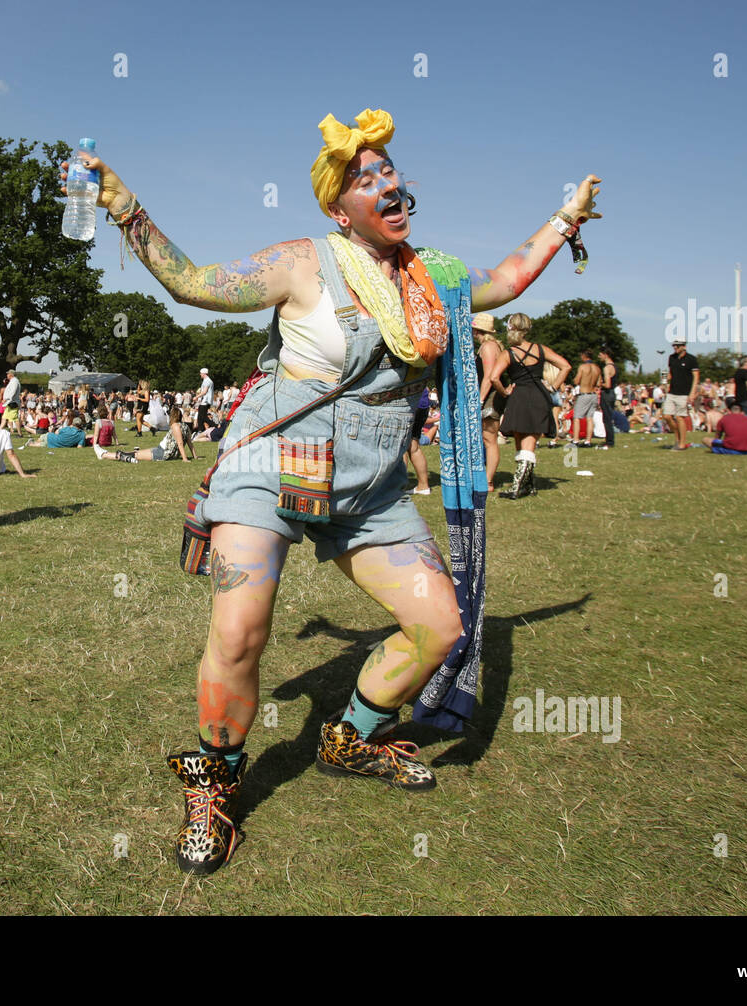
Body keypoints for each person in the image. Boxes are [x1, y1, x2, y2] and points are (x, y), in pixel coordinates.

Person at [62, 107, 601, 873]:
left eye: (390, 173)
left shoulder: (434, 278)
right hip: (274, 462)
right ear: (337, 206)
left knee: (439, 628)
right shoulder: (303, 261)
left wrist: (564, 218)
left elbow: (509, 278)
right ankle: (216, 784)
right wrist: (124, 207)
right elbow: (194, 284)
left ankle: (348, 736)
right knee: (242, 626)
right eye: (364, 178)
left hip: (371, 480)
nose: (385, 185)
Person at [489, 313, 571, 499]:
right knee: (527, 442)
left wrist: (504, 392)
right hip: (538, 395)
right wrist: (553, 387)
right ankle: (528, 485)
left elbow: (494, 377)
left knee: (523, 442)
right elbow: (565, 366)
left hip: (518, 396)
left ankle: (517, 487)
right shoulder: (540, 349)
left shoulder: (508, 353)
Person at [474, 313, 506, 492]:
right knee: (488, 439)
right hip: (491, 397)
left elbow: (489, 377)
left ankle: (489, 481)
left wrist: (480, 400)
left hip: (490, 398)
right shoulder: (493, 346)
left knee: (489, 439)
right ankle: (486, 479)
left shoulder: (488, 347)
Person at [94, 407, 193, 462]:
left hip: (162, 453)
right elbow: (189, 443)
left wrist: (184, 458)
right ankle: (107, 454)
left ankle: (104, 454)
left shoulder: (175, 426)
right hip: (161, 449)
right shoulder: (185, 426)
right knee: (135, 452)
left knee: (135, 455)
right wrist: (195, 456)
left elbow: (180, 443)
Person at [664, 339, 699, 450]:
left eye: (678, 346)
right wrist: (666, 381)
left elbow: (696, 377)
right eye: (674, 345)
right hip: (672, 391)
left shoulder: (691, 359)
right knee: (667, 416)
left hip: (684, 393)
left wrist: (692, 393)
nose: (675, 347)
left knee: (680, 417)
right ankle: (678, 436)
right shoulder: (671, 358)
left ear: (684, 346)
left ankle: (682, 443)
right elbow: (671, 373)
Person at [572, 350, 600, 447]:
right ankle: (588, 441)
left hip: (584, 394)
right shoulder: (597, 368)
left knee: (576, 418)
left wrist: (576, 380)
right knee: (590, 418)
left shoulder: (582, 367)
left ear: (584, 356)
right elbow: (599, 383)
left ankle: (575, 440)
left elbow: (576, 381)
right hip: (593, 394)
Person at [598, 347, 618, 449]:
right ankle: (609, 440)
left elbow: (608, 384)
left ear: (606, 355)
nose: (599, 357)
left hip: (607, 393)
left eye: (600, 354)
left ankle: (610, 442)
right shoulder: (614, 366)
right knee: (608, 417)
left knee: (607, 419)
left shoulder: (606, 368)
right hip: (612, 394)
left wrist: (599, 383)